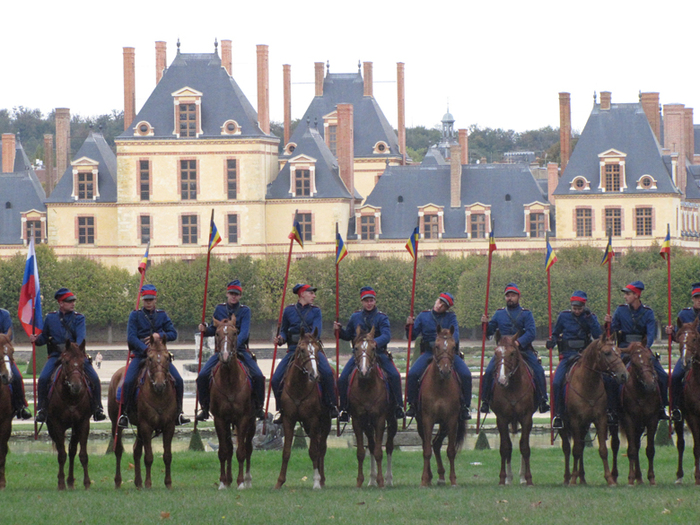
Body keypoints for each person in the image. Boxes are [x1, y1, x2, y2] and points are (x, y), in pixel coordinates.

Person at [118, 285, 190, 427]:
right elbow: (131, 338)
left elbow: (173, 334)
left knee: (179, 380)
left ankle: (179, 413)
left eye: (151, 299)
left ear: (155, 299)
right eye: (146, 300)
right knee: (128, 382)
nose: (148, 302)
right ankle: (125, 414)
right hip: (141, 355)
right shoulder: (135, 315)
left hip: (160, 356)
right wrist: (145, 350)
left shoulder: (162, 315)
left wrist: (160, 335)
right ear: (142, 300)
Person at [29, 288, 105, 423]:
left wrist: (72, 351)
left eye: (73, 301)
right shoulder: (51, 318)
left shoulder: (79, 318)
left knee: (94, 378)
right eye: (69, 301)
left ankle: (97, 408)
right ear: (61, 303)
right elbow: (44, 338)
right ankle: (42, 409)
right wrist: (36, 339)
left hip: (75, 355)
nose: (73, 304)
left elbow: (81, 338)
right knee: (44, 378)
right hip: (56, 356)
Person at [195, 280, 265, 421]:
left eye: (236, 294)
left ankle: (258, 407)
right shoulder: (219, 309)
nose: (234, 296)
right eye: (231, 293)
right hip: (220, 351)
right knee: (202, 376)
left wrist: (231, 347)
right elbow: (214, 330)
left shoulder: (245, 311)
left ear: (240, 296)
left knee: (258, 376)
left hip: (239, 350)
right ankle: (205, 407)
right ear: (227, 294)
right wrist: (205, 330)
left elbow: (244, 333)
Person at [334, 287, 404, 422]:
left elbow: (386, 335)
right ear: (362, 302)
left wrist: (374, 343)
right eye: (366, 301)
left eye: (371, 300)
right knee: (343, 379)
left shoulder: (382, 317)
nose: (369, 303)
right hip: (360, 355)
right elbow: (348, 335)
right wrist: (339, 331)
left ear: (375, 301)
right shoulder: (355, 317)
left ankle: (398, 407)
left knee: (395, 375)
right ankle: (344, 409)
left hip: (377, 353)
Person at [271, 284, 337, 423]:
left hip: (311, 348)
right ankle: (281, 409)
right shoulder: (289, 310)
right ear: (302, 294)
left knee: (327, 373)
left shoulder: (316, 311)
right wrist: (281, 338)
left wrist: (308, 340)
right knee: (276, 379)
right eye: (311, 293)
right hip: (294, 349)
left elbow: (316, 329)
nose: (314, 296)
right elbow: (284, 330)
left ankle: (331, 405)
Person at [480, 283, 549, 414]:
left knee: (538, 370)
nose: (510, 298)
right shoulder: (499, 313)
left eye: (513, 295)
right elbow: (489, 332)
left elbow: (531, 333)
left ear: (518, 296)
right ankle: (486, 400)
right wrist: (485, 324)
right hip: (504, 351)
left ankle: (542, 400)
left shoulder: (526, 314)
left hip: (522, 349)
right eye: (508, 296)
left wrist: (518, 343)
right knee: (489, 372)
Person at [604, 280, 669, 421]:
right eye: (625, 294)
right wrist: (607, 323)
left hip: (642, 349)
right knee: (610, 378)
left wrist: (644, 348)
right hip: (624, 349)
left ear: (636, 295)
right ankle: (612, 409)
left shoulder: (648, 313)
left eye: (628, 294)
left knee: (663, 376)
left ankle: (662, 407)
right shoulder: (620, 310)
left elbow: (650, 334)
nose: (625, 297)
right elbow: (612, 331)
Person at [404, 292, 472, 420]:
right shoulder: (423, 316)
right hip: (429, 352)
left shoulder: (451, 317)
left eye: (444, 305)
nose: (440, 306)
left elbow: (455, 336)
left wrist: (445, 343)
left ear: (447, 308)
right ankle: (412, 404)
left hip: (447, 353)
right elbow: (411, 336)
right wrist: (409, 327)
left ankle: (464, 407)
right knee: (412, 374)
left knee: (466, 374)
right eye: (439, 302)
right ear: (436, 300)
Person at [548, 291, 602, 429]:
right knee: (556, 382)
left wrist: (590, 319)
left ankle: (606, 410)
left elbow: (598, 336)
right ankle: (558, 414)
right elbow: (555, 333)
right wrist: (552, 341)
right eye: (575, 308)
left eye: (580, 308)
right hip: (567, 355)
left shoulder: (590, 317)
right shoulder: (563, 316)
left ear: (584, 307)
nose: (577, 311)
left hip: (584, 355)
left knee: (605, 379)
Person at [664, 281, 700, 422]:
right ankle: (675, 408)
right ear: (692, 299)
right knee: (675, 377)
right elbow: (678, 337)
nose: (699, 300)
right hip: (688, 355)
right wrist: (671, 333)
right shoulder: (684, 314)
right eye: (697, 297)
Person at [0, 308, 32, 419]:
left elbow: (9, 334)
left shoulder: (4, 314)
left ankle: (20, 406)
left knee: (17, 377)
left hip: (1, 351)